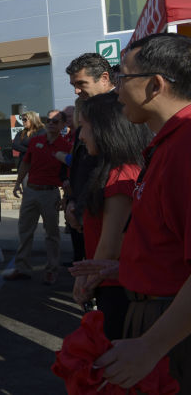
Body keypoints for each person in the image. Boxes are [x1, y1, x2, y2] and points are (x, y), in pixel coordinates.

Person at [75, 33, 191, 391]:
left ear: (155, 85)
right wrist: (123, 267)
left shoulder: (185, 147)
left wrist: (150, 346)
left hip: (169, 329)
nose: (117, 90)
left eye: (123, 78)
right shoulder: (167, 145)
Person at [70, 93, 151, 340]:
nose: (81, 137)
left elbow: (110, 244)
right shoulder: (123, 169)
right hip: (117, 284)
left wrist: (85, 283)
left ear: (106, 129)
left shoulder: (120, 176)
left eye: (84, 127)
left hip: (117, 290)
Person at [5, 110, 71, 285]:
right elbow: (26, 162)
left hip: (50, 193)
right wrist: (18, 182)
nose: (50, 123)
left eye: (55, 122)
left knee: (52, 234)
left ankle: (51, 270)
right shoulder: (36, 141)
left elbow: (68, 174)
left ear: (63, 125)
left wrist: (66, 197)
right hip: (31, 192)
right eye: (48, 120)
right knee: (25, 231)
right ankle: (22, 268)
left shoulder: (65, 146)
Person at [64, 53, 116, 267]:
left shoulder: (121, 112)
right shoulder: (90, 110)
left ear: (104, 78)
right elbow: (81, 164)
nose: (76, 90)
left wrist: (82, 204)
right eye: (73, 85)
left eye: (81, 83)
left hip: (111, 213)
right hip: (86, 209)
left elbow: (111, 167)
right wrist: (74, 201)